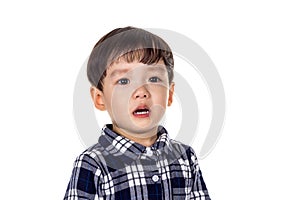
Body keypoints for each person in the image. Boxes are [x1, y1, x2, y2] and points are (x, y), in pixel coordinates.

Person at [64, 26, 211, 199]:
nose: (141, 91)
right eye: (124, 81)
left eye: (154, 79)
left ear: (170, 94)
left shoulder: (185, 157)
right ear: (99, 98)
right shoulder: (93, 163)